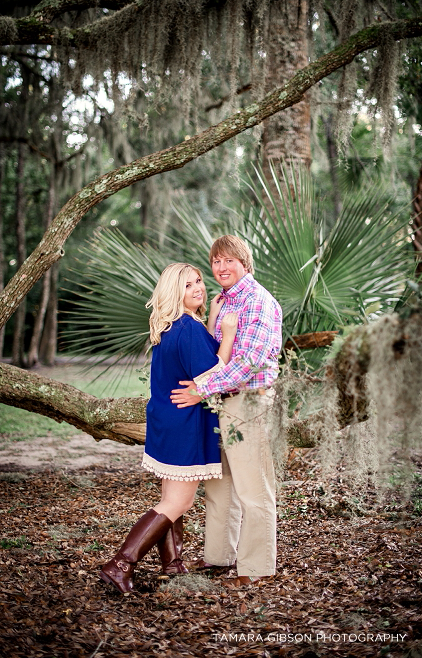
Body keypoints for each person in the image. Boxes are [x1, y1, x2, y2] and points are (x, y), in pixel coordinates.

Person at [100, 262, 236, 593]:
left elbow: (197, 359)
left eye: (199, 281)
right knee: (177, 503)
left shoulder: (172, 326)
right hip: (184, 426)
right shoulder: (187, 328)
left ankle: (172, 565)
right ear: (175, 292)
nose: (199, 287)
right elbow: (214, 375)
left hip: (167, 420)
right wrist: (229, 334)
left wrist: (214, 320)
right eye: (188, 285)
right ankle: (120, 565)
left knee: (170, 497)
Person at [170, 235, 283, 587]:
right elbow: (217, 353)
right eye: (216, 261)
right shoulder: (223, 301)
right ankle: (219, 558)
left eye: (228, 260)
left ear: (243, 263)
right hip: (219, 402)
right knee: (220, 487)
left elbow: (247, 361)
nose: (220, 268)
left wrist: (200, 389)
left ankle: (256, 568)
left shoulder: (258, 301)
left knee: (253, 488)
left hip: (248, 401)